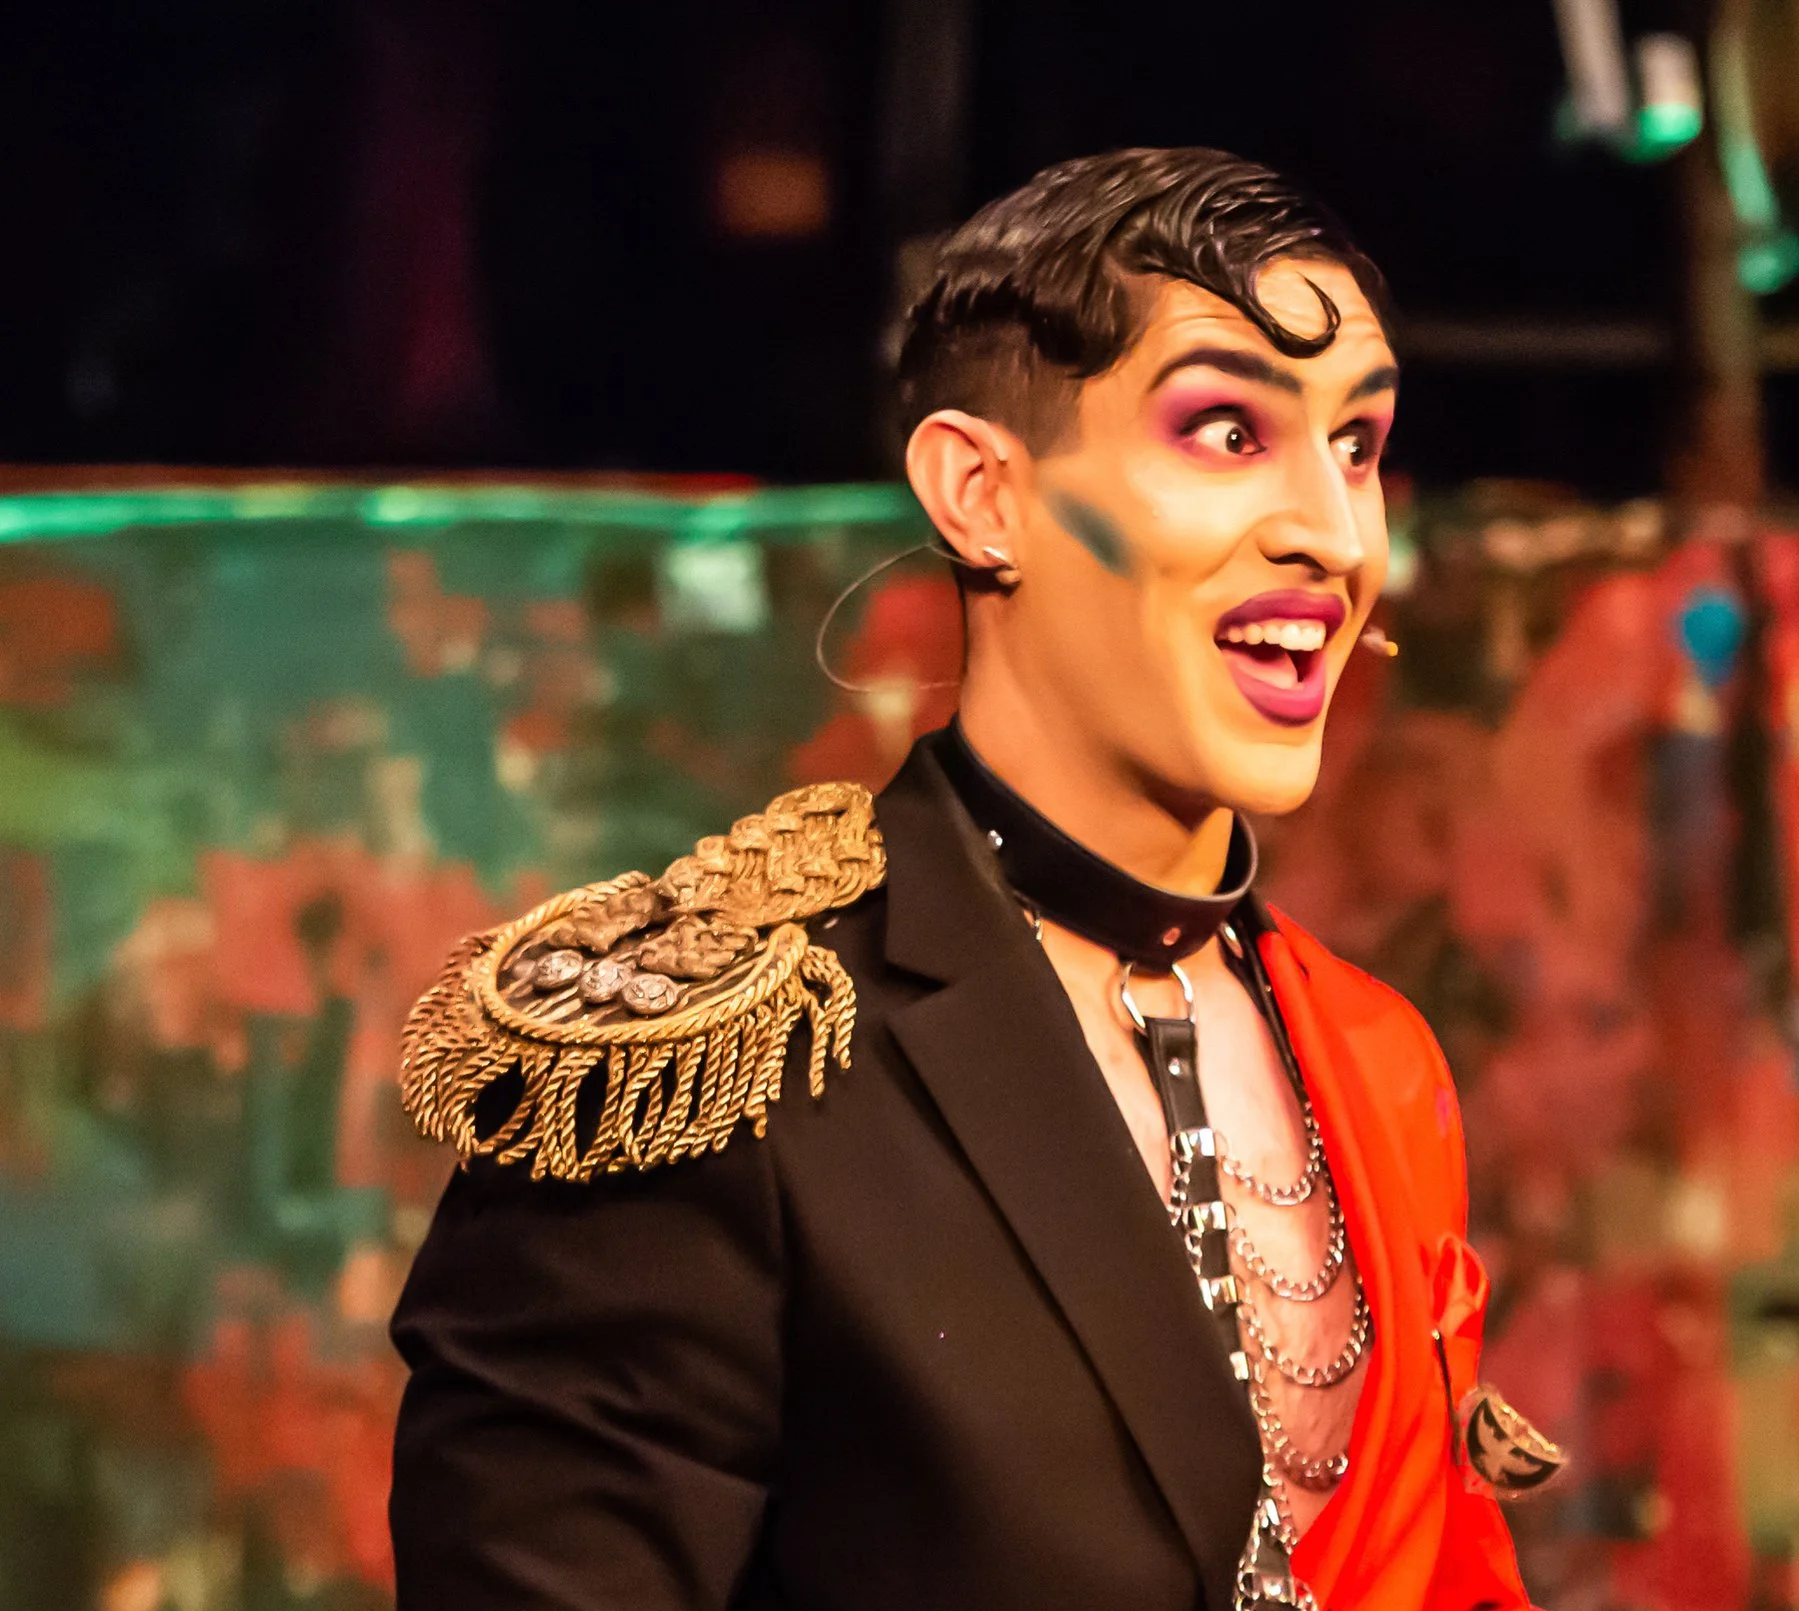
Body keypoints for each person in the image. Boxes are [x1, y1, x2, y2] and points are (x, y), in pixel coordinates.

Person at [390, 146, 1553, 1611]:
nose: (1332, 534)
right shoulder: (706, 1070)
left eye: (1360, 446)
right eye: (1228, 432)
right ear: (982, 492)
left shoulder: (1377, 1059)